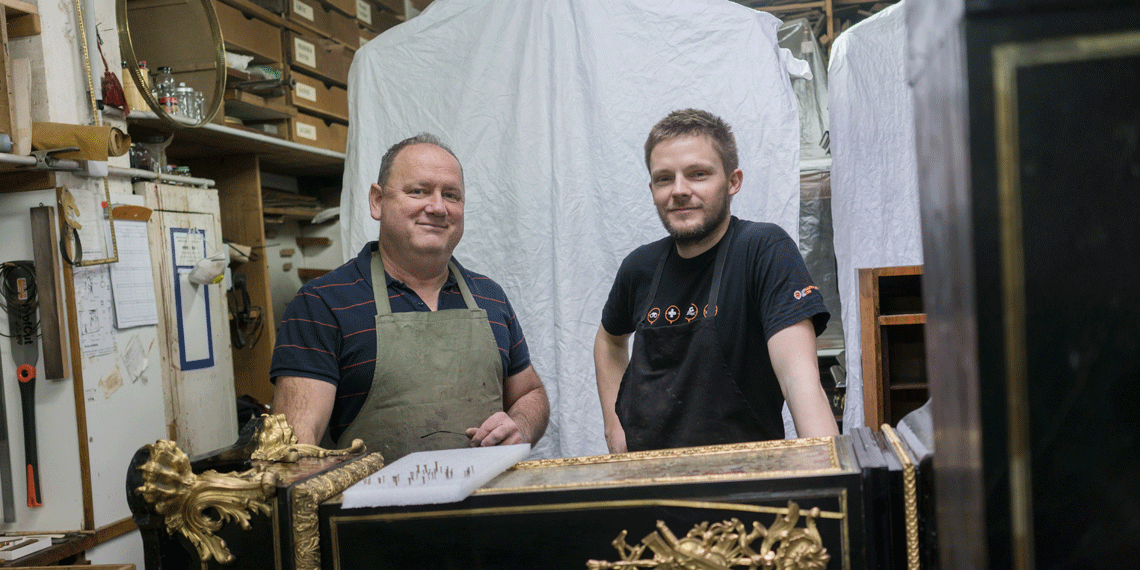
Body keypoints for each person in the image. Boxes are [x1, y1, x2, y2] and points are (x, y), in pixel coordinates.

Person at [270, 134, 549, 462]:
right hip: (375, 511)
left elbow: (530, 393)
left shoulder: (491, 298)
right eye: (418, 191)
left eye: (451, 195)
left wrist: (520, 426)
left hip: (489, 505)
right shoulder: (322, 305)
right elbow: (295, 452)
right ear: (377, 201)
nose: (438, 207)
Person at [594, 109, 838, 453]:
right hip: (650, 483)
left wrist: (830, 471)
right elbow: (609, 339)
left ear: (733, 181)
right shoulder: (640, 267)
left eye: (698, 174)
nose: (679, 190)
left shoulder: (763, 251)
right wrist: (614, 429)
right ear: (652, 189)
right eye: (665, 178)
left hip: (743, 485)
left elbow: (800, 381)